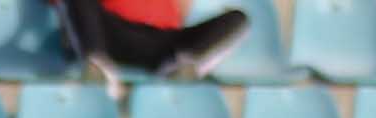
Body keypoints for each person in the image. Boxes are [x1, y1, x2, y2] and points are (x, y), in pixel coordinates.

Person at [58, 0, 248, 87]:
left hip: (162, 42)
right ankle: (96, 64)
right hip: (110, 34)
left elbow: (182, 11)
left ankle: (182, 68)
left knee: (237, 19)